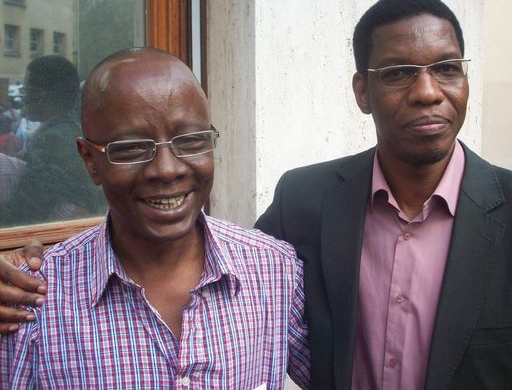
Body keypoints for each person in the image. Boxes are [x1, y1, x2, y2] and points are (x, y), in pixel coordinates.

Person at [1, 0, 512, 389]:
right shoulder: (302, 209)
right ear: (361, 91)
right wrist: (29, 267)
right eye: (397, 72)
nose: (426, 91)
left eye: (446, 68)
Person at [0, 48, 310, 389]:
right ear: (90, 160)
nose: (166, 169)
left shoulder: (274, 272)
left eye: (191, 141)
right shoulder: (34, 299)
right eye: (131, 148)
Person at [0, 55, 106, 226]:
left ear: (40, 96)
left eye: (25, 91)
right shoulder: (72, 130)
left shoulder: (52, 140)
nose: (23, 98)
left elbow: (29, 206)